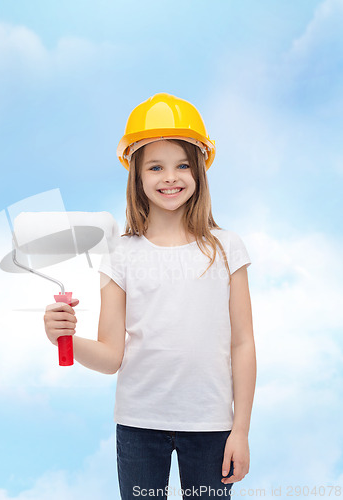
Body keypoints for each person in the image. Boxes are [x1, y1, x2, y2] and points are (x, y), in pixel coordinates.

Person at [43, 92, 257, 499]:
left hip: (212, 426)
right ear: (137, 177)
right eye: (155, 167)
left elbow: (243, 343)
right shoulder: (120, 255)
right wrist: (64, 337)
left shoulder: (228, 248)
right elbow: (111, 357)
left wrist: (241, 430)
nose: (170, 177)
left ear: (199, 172)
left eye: (182, 166)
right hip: (140, 426)